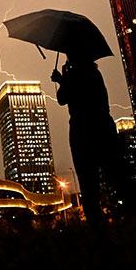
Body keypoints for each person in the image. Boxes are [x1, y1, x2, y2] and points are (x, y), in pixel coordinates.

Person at [51, 52, 121, 224]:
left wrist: (62, 79)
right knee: (113, 176)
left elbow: (62, 98)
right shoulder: (95, 73)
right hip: (104, 127)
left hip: (83, 130)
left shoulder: (75, 75)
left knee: (88, 182)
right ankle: (123, 220)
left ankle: (98, 228)